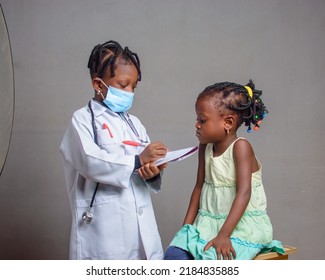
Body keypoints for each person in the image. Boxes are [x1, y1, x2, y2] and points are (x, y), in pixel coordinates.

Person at [60, 40, 168, 260]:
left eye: (133, 87)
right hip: (103, 229)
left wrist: (152, 171)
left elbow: (143, 164)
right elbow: (90, 161)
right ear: (98, 84)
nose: (129, 92)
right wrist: (138, 161)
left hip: (140, 225)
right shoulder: (82, 120)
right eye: (123, 84)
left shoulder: (134, 123)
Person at [164, 80, 284, 260]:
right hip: (207, 224)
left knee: (214, 261)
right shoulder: (205, 147)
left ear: (228, 122)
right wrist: (185, 229)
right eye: (197, 119)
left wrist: (224, 235)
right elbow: (198, 188)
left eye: (202, 120)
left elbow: (244, 193)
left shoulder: (241, 147)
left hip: (241, 228)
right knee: (173, 255)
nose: (197, 125)